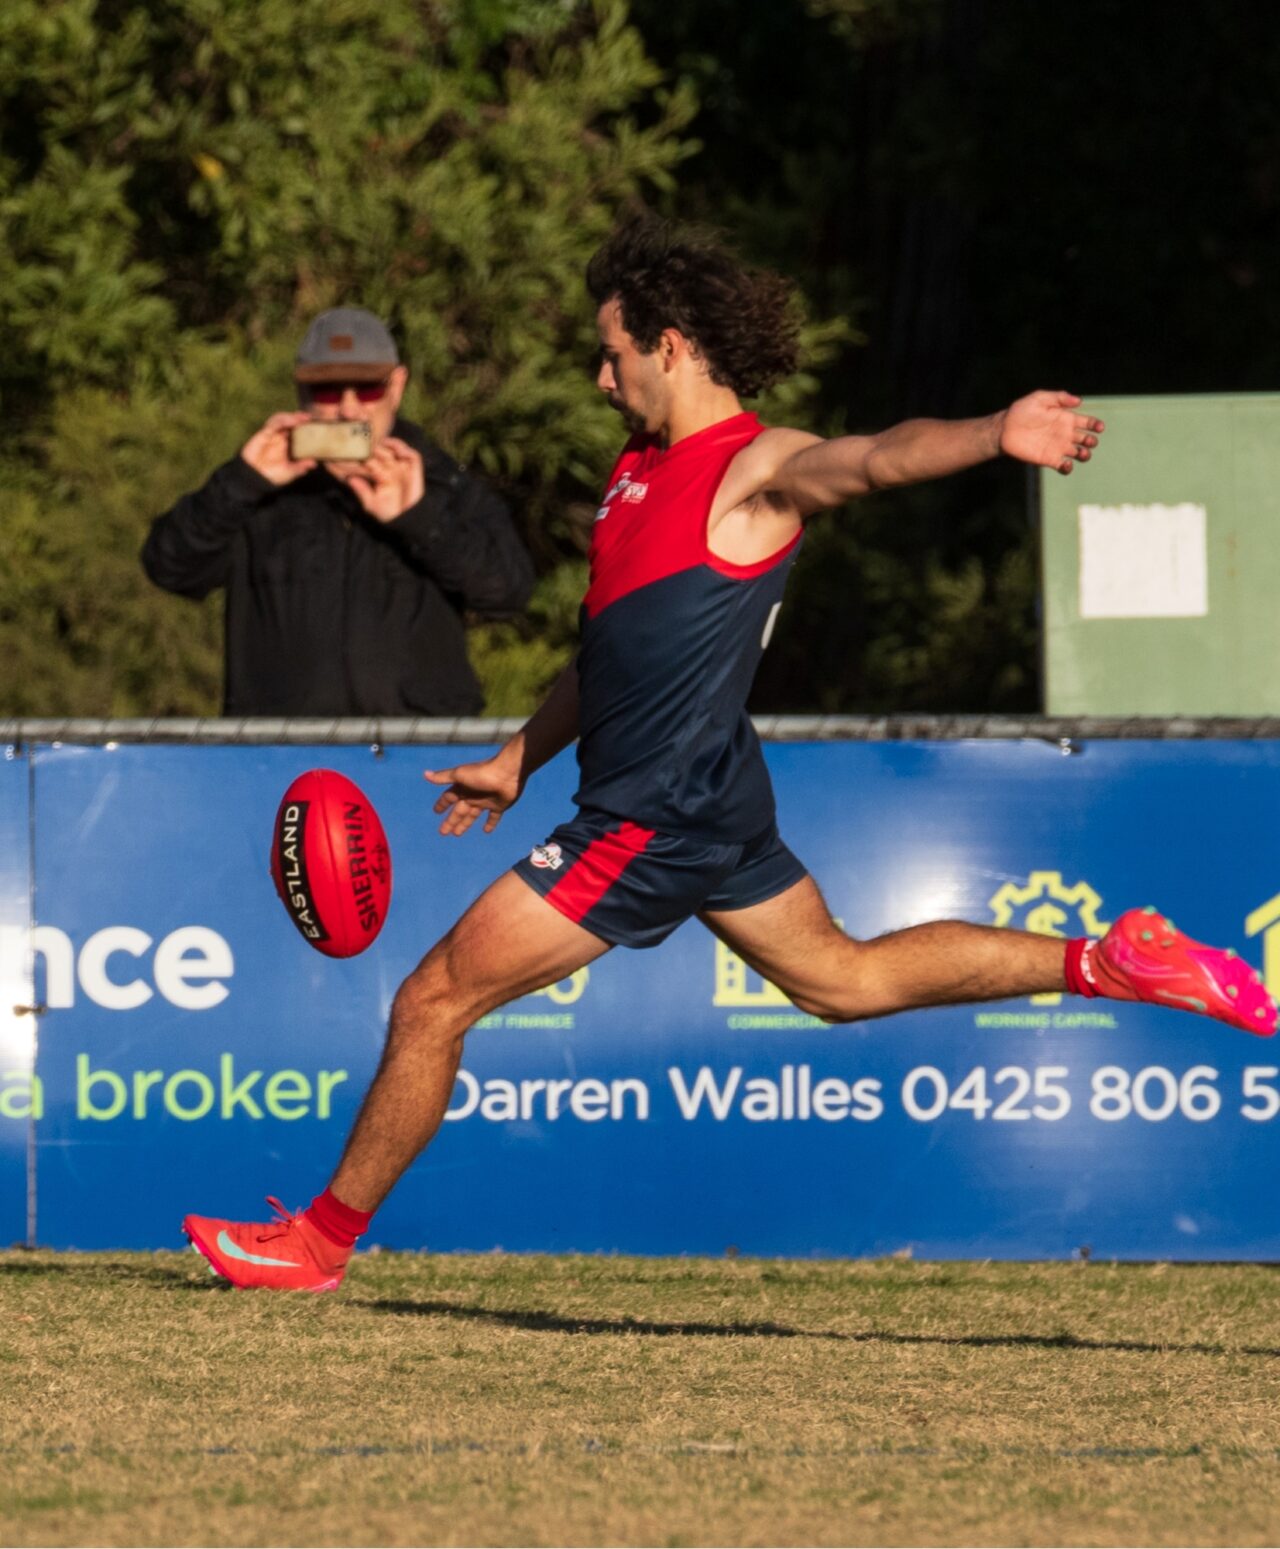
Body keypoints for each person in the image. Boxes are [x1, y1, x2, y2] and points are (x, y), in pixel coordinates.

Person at [183, 217, 1277, 1291]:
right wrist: (520, 756)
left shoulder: (754, 467)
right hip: (706, 798)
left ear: (669, 346)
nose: (599, 377)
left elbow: (875, 459)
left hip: (649, 817)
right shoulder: (634, 472)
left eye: (611, 353)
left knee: (432, 1000)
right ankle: (1107, 961)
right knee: (842, 979)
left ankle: (317, 1244)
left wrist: (996, 431)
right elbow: (611, 647)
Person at [142, 307, 534, 717]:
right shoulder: (258, 488)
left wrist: (421, 519)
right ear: (301, 392)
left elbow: (509, 593)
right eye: (328, 391)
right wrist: (240, 482)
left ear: (397, 386)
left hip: (415, 745)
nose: (348, 410)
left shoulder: (443, 482)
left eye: (367, 389)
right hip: (283, 746)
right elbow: (168, 567)